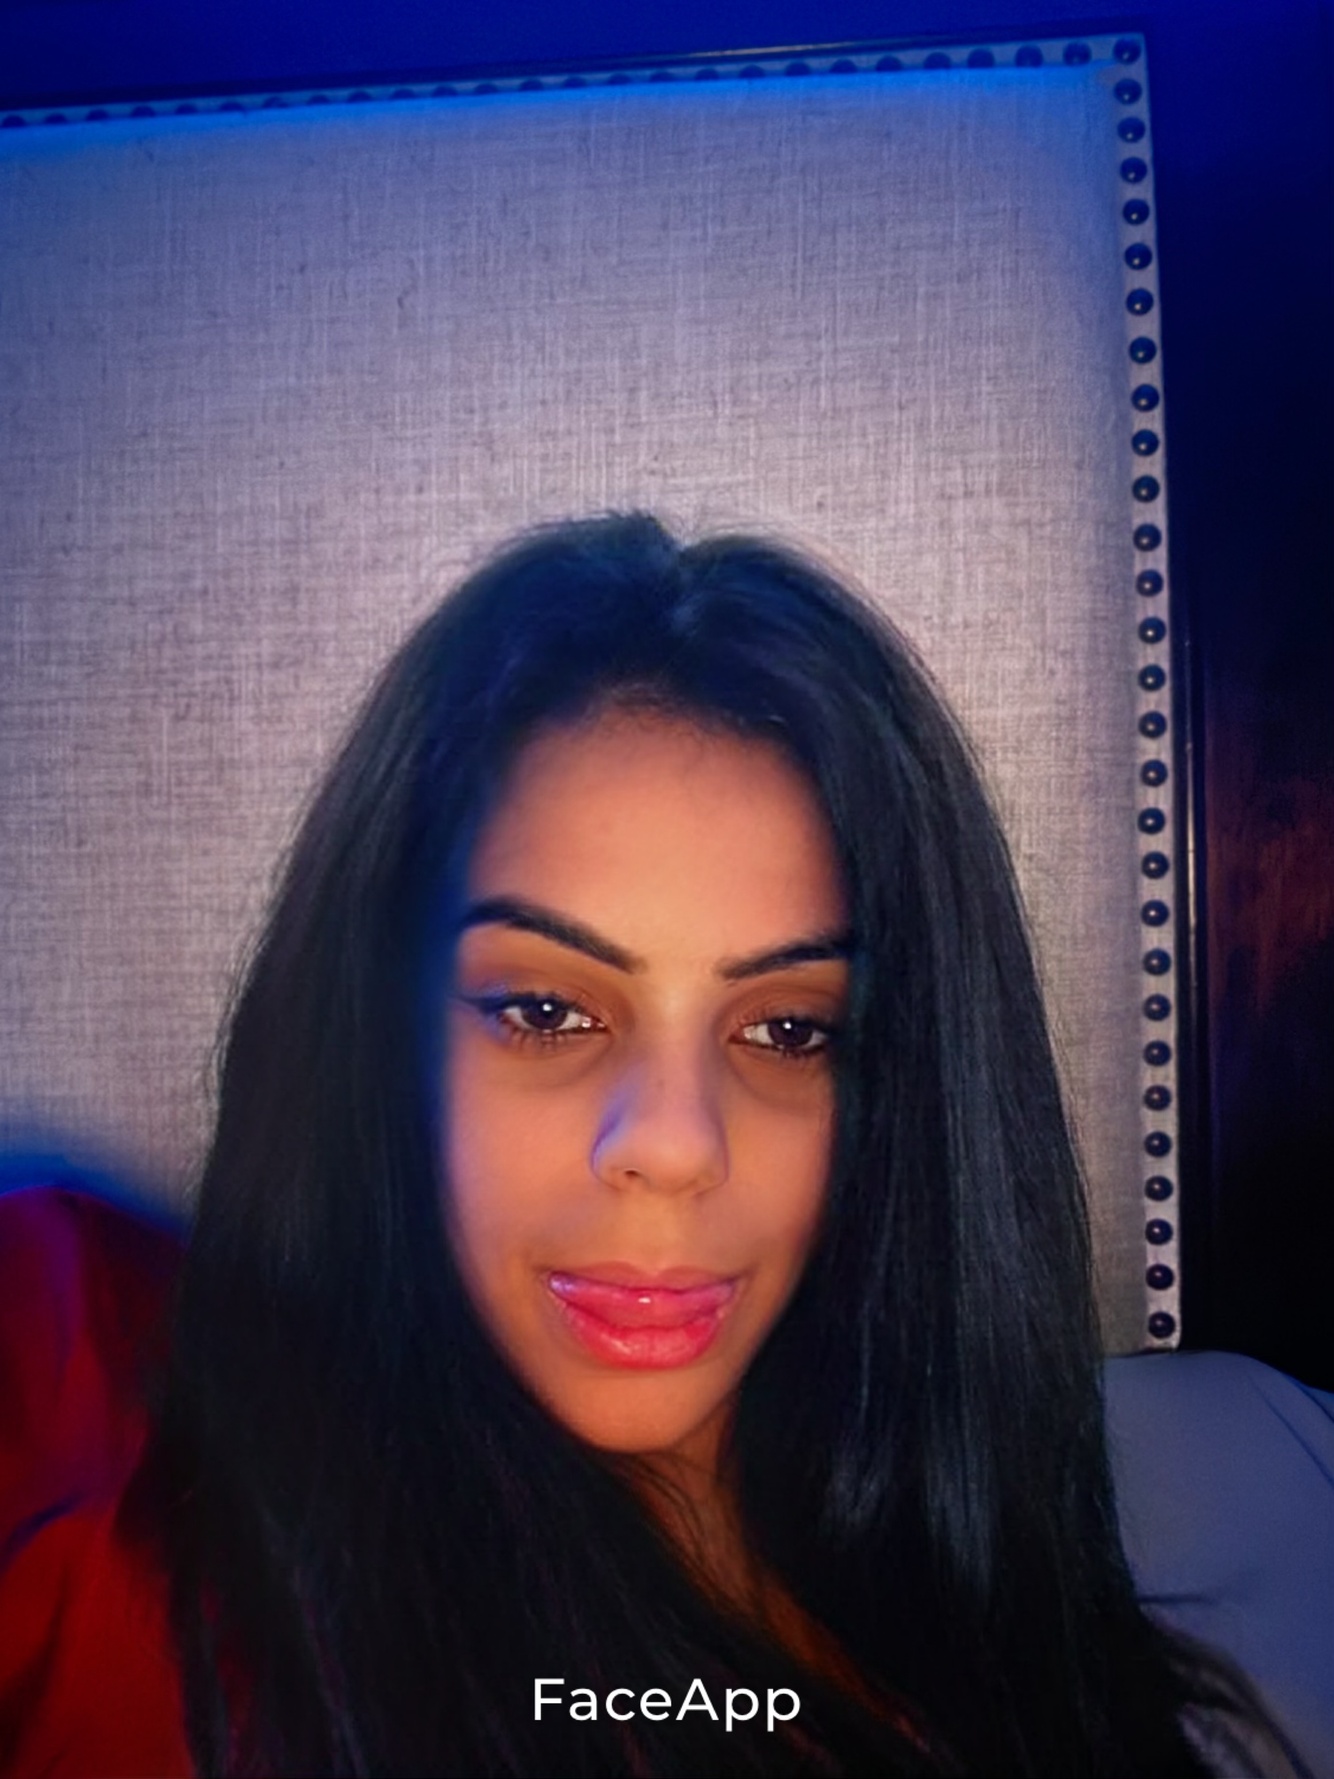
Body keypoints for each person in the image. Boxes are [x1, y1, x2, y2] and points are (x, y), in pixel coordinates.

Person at [0, 514, 1318, 1776]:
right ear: (373, 1035)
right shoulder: (121, 1456)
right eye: (543, 1010)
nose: (675, 1147)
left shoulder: (1217, 1493)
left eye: (789, 1030)